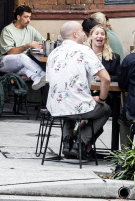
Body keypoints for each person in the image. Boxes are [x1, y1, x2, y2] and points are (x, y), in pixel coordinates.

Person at [46, 21, 111, 159]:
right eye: (82, 30)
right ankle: (80, 142)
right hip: (78, 107)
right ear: (75, 33)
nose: (84, 33)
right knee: (105, 109)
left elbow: (51, 80)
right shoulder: (84, 50)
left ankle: (67, 141)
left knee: (68, 108)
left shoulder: (53, 53)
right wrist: (101, 99)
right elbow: (106, 79)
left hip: (55, 106)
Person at [0, 4, 47, 90]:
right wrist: (27, 46)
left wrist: (41, 45)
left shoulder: (30, 29)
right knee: (22, 57)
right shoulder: (8, 30)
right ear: (18, 17)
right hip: (5, 62)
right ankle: (43, 74)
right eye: (26, 17)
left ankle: (36, 78)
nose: (28, 20)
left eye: (30, 17)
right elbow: (10, 52)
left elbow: (44, 42)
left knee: (27, 69)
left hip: (23, 64)